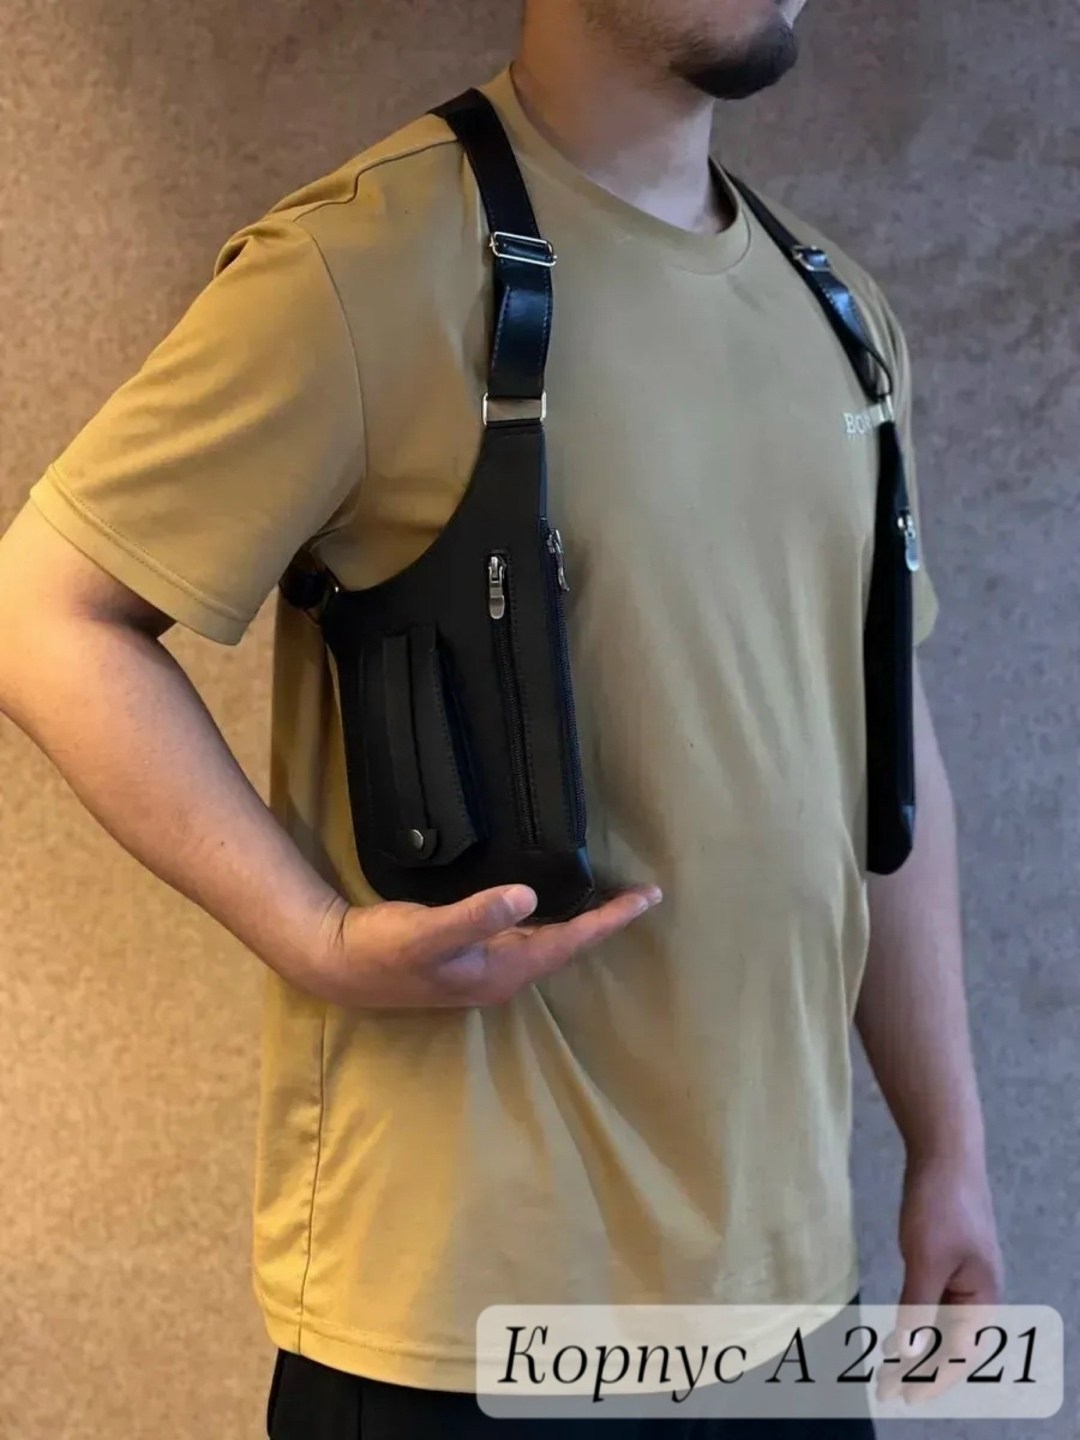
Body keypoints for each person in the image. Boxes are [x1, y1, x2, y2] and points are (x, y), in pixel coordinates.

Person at [0, 0, 1004, 1435]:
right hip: (468, 1328)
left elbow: (879, 757)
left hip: (787, 1312)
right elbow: (43, 611)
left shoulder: (840, 314)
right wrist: (310, 935)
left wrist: (948, 1146)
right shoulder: (362, 267)